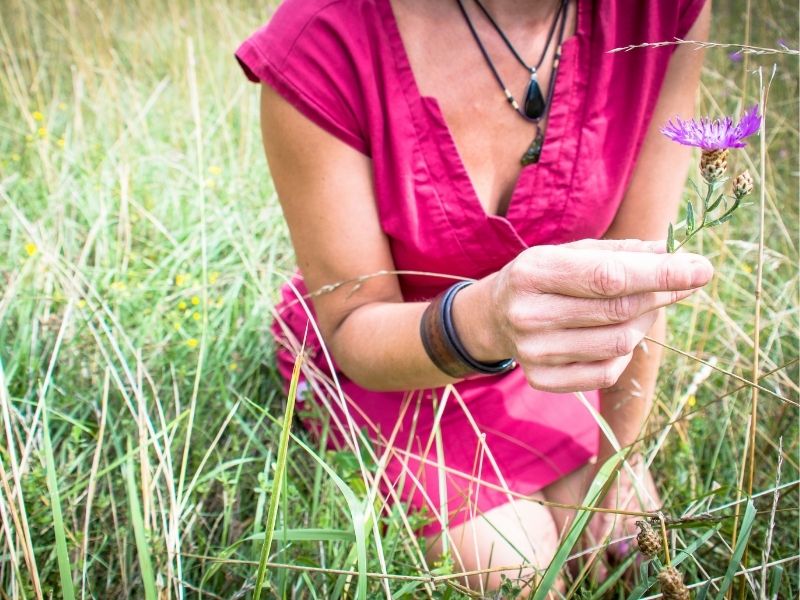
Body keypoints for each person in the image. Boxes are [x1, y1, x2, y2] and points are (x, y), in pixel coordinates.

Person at [236, 0, 711, 593]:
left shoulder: (661, 14)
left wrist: (622, 458)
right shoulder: (321, 39)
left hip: (548, 354)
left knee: (625, 561)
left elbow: (637, 273)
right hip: (392, 363)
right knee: (520, 570)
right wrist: (488, 320)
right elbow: (354, 321)